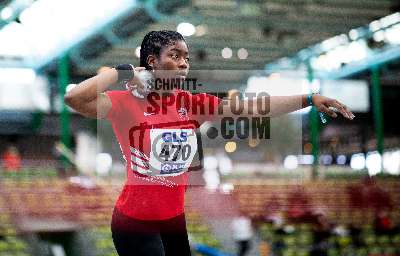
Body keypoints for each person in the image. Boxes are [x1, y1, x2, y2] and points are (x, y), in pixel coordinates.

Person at [64, 30, 355, 256]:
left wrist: (309, 99)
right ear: (152, 61)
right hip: (134, 223)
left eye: (186, 58)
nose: (183, 64)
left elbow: (255, 107)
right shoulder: (125, 103)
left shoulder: (192, 104)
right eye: (175, 56)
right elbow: (74, 98)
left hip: (173, 219)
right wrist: (123, 71)